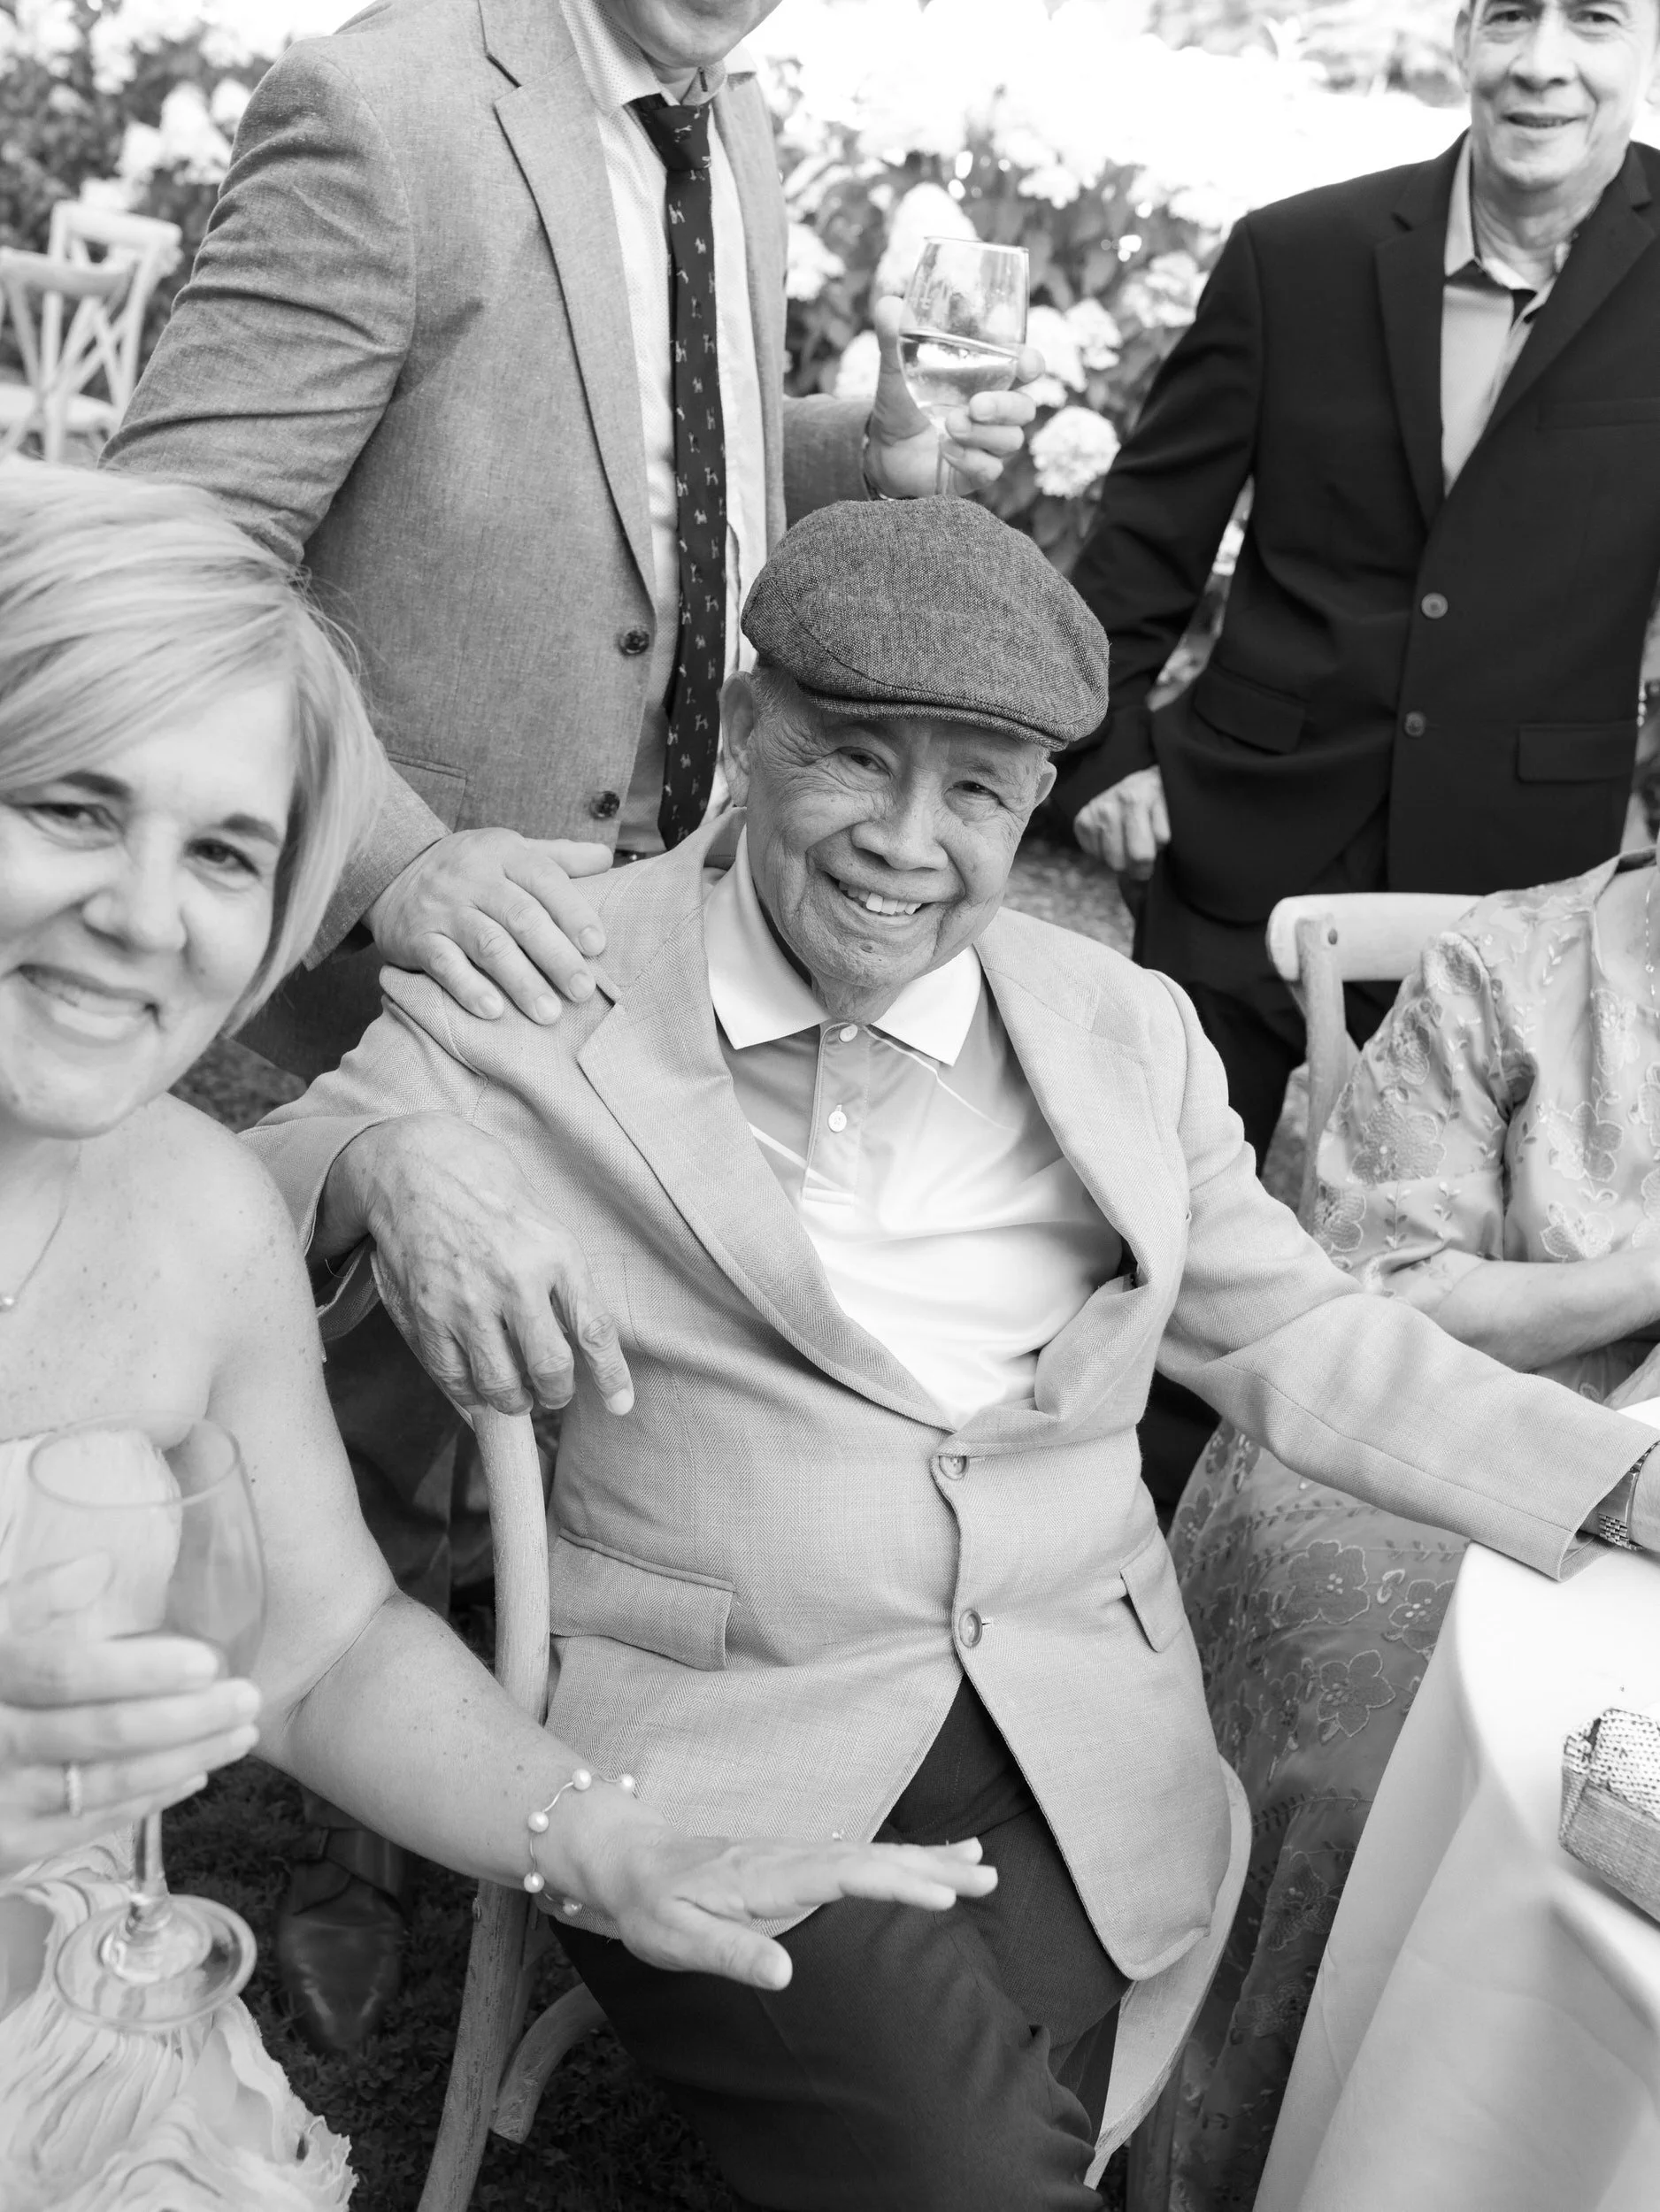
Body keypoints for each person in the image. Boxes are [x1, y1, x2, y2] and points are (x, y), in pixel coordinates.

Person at [245, 495, 1660, 2212]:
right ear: (750, 726)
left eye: (976, 788)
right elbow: (242, 1190)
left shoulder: (1120, 1027)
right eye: (853, 755)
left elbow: (1295, 1323)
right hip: (717, 1711)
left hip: (1074, 1703)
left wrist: (1617, 1473)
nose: (906, 842)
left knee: (1031, 2114)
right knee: (979, 2167)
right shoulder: (546, 970)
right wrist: (387, 1163)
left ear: (1033, 804)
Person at [104, 0, 1042, 2032]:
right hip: (404, 923)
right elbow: (180, 554)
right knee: (323, 1393)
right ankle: (295, 1844)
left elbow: (643, 466)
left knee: (522, 1383)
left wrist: (836, 462)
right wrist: (394, 854)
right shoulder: (386, 105)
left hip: (636, 922)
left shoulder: (734, 113)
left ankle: (454, 1769)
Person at [0, 465, 994, 2212]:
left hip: (66, 2032)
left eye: (224, 850)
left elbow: (311, 1645)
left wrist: (594, 1827)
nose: (150, 916)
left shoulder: (193, 1213)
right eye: (74, 807)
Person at [1057, 0, 1660, 1504]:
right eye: (1510, 13)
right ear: (1463, 32)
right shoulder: (1299, 252)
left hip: (1527, 897)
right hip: (1240, 835)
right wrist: (1109, 750)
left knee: (1473, 1311)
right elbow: (1142, 535)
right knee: (1132, 1250)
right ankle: (1093, 1567)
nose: (1544, 60)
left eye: (1593, 18)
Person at [1165, 840, 1660, 2212]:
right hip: (1424, 1417)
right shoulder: (1504, 967)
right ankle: (1277, 2152)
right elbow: (1380, 1289)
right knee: (1373, 1775)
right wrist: (1640, 1280)